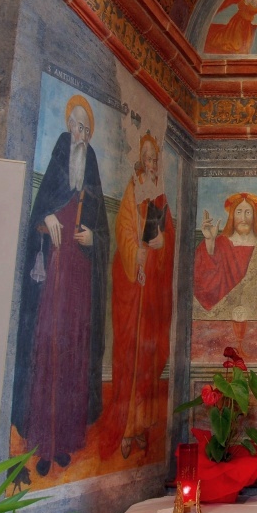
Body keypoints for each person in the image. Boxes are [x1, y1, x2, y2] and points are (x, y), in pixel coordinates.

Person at [12, 95, 109, 477]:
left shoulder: (93, 163)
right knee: (49, 347)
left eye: (86, 129)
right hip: (54, 272)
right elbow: (39, 210)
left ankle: (66, 440)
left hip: (80, 275)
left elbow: (102, 227)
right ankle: (43, 440)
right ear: (69, 126)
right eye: (77, 126)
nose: (80, 134)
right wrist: (49, 217)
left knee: (74, 350)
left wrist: (93, 239)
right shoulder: (58, 156)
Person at [100, 133, 175, 460]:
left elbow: (168, 238)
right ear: (139, 162)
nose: (151, 163)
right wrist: (137, 254)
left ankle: (142, 424)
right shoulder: (133, 190)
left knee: (149, 356)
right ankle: (126, 427)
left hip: (153, 294)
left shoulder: (161, 198)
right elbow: (123, 232)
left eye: (154, 159)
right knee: (130, 354)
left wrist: (161, 246)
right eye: (147, 157)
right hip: (133, 287)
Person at [193, 192, 257, 316]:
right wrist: (209, 241)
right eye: (239, 212)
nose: (243, 218)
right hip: (222, 315)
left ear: (254, 216)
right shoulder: (219, 243)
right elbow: (204, 281)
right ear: (232, 216)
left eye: (248, 212)